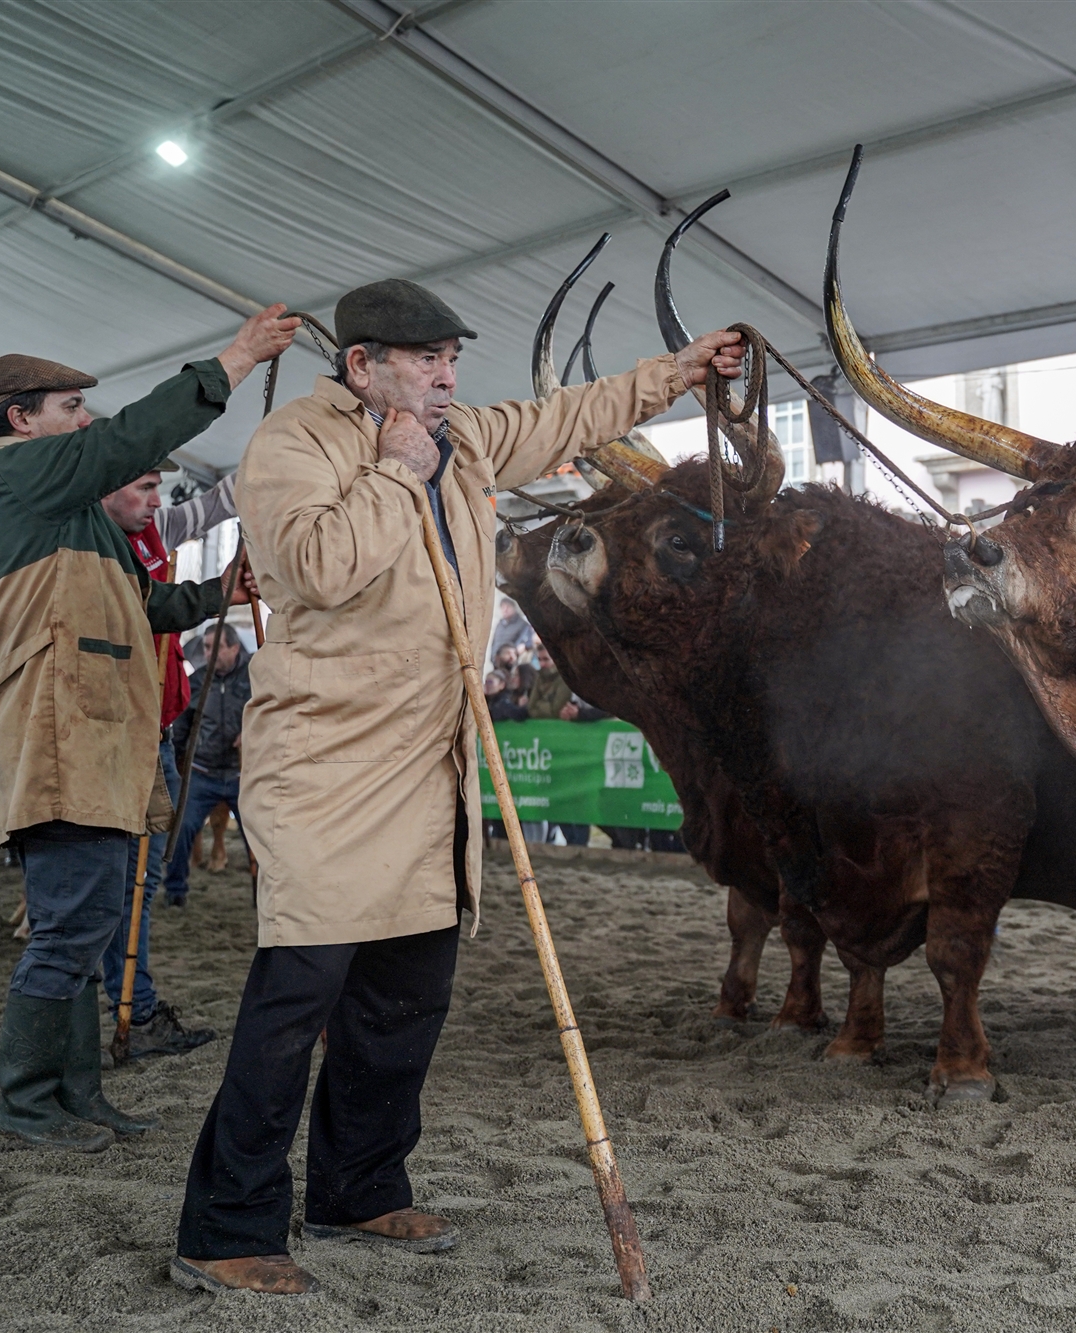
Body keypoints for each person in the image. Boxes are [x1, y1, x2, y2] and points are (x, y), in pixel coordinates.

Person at [172, 277, 744, 1297]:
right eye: (428, 359)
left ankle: (356, 1184)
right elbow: (311, 567)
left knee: (405, 996)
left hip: (431, 758)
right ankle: (224, 1226)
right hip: (325, 764)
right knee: (296, 994)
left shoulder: (467, 435)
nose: (446, 376)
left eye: (449, 359)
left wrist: (682, 370)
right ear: (362, 365)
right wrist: (394, 474)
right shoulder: (294, 445)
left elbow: (571, 412)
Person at [0, 307, 293, 1153]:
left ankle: (74, 1093)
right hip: (58, 743)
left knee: (89, 927)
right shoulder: (14, 476)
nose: (86, 420)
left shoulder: (75, 517)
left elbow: (142, 607)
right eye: (70, 406)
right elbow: (128, 440)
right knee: (72, 928)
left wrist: (221, 588)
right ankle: (26, 1102)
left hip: (90, 745)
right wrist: (236, 360)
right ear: (21, 420)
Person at [92, 466, 227, 1057]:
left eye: (156, 487)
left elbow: (222, 501)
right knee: (125, 884)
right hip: (123, 731)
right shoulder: (90, 545)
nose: (155, 501)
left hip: (157, 728)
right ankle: (133, 1009)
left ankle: (135, 1004)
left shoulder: (153, 530)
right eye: (142, 487)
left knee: (136, 886)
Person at [163, 626, 251, 908]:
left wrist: (252, 733)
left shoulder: (256, 679)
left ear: (234, 648)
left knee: (260, 838)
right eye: (206, 648)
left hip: (243, 775)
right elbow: (182, 727)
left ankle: (263, 896)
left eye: (215, 647)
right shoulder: (197, 681)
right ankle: (175, 892)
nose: (209, 653)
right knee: (182, 829)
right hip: (202, 772)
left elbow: (272, 716)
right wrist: (177, 763)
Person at [489, 596, 536, 664]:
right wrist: (492, 657)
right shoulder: (500, 624)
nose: (505, 610)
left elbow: (525, 641)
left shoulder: (522, 624)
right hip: (497, 662)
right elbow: (494, 642)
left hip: (511, 662)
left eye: (508, 607)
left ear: (513, 608)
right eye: (503, 607)